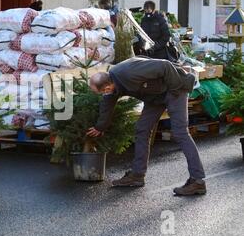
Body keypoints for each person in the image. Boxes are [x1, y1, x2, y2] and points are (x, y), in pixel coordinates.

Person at [87, 57, 207, 196]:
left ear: (107, 88)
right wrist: (100, 127)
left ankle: (197, 181)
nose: (104, 95)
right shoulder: (113, 85)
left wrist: (174, 91)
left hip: (175, 88)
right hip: (155, 96)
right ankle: (137, 175)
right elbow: (107, 105)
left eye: (102, 92)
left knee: (180, 132)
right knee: (142, 129)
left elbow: (165, 65)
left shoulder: (128, 72)